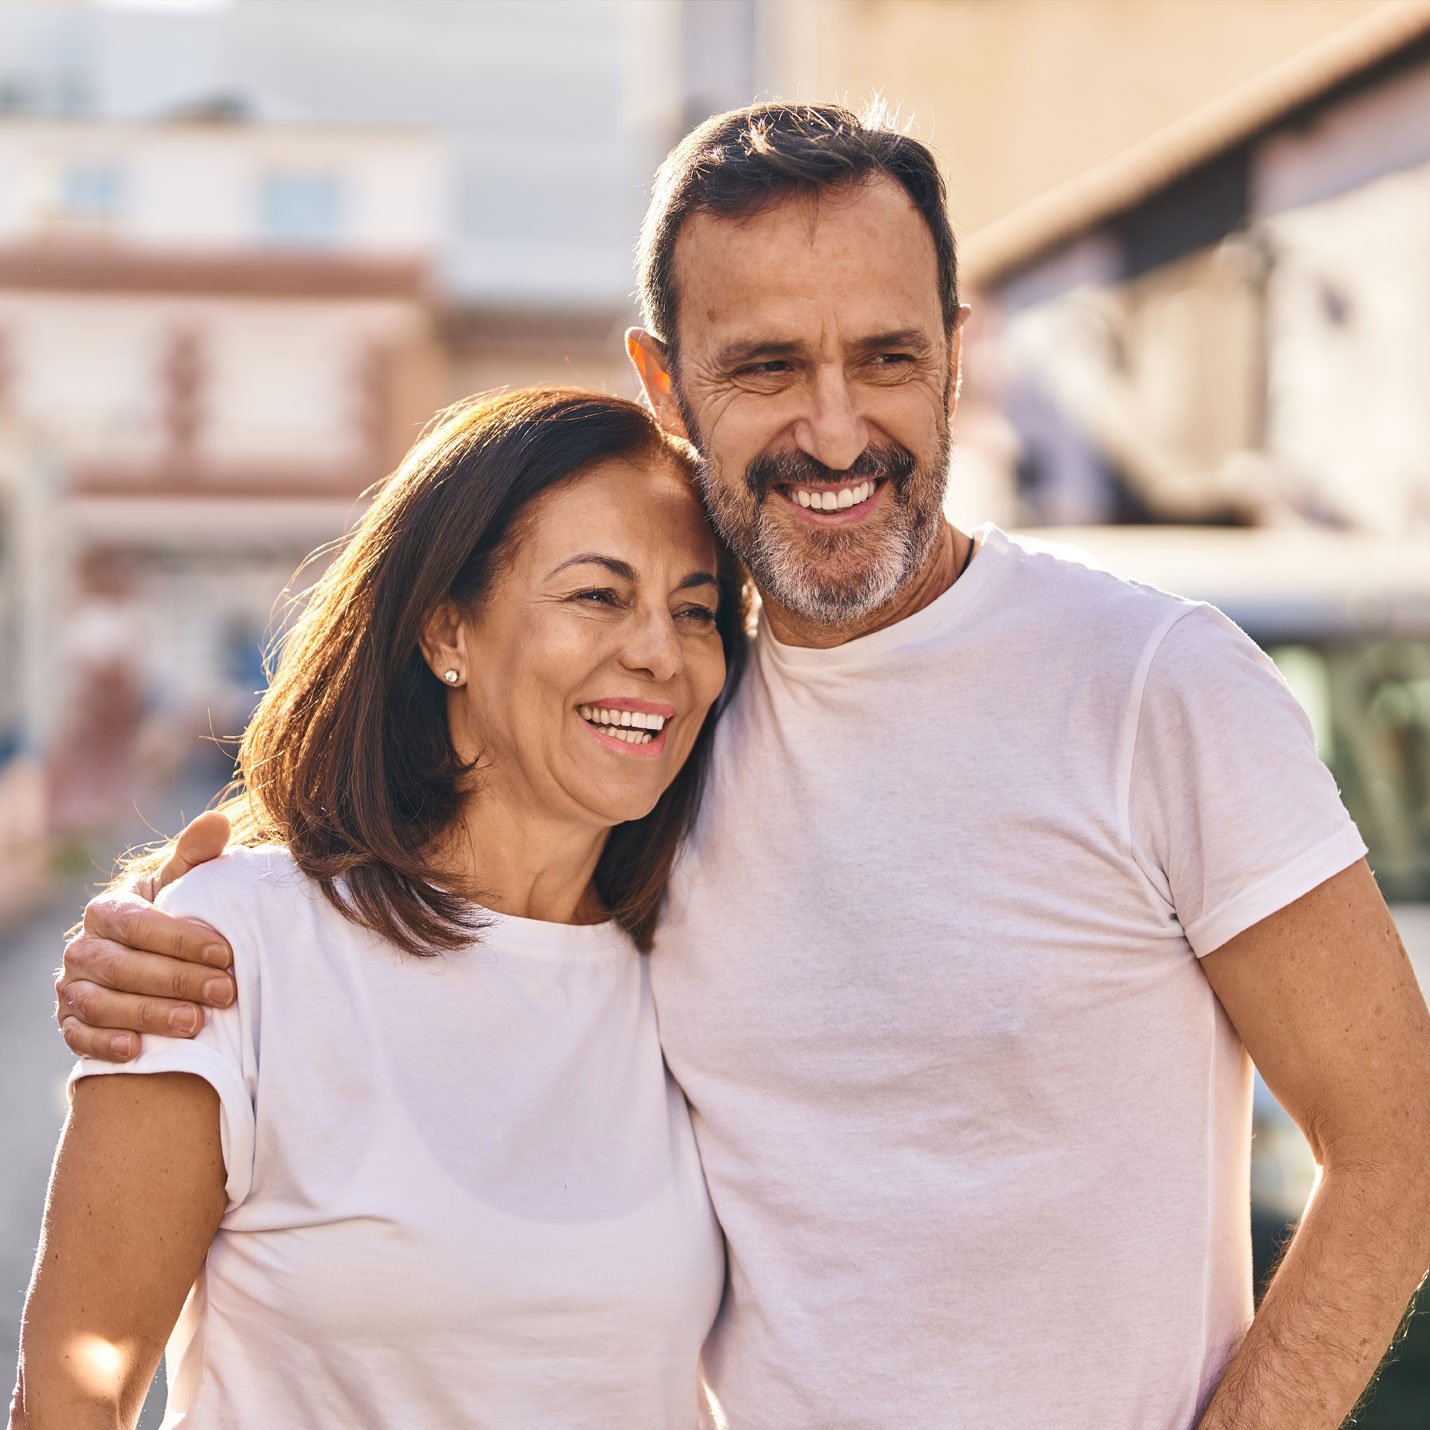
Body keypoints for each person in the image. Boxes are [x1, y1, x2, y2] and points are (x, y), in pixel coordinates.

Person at [52, 104, 1430, 1429]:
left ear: (956, 356)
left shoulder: (1151, 684)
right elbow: (456, 865)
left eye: (886, 358)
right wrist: (184, 908)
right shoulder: (683, 724)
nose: (835, 430)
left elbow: (1397, 1143)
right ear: (666, 385)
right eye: (768, 367)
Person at [14, 387, 748, 1428]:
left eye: (694, 608)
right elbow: (69, 1398)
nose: (659, 654)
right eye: (596, 595)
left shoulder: (701, 965)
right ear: (445, 625)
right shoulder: (228, 946)